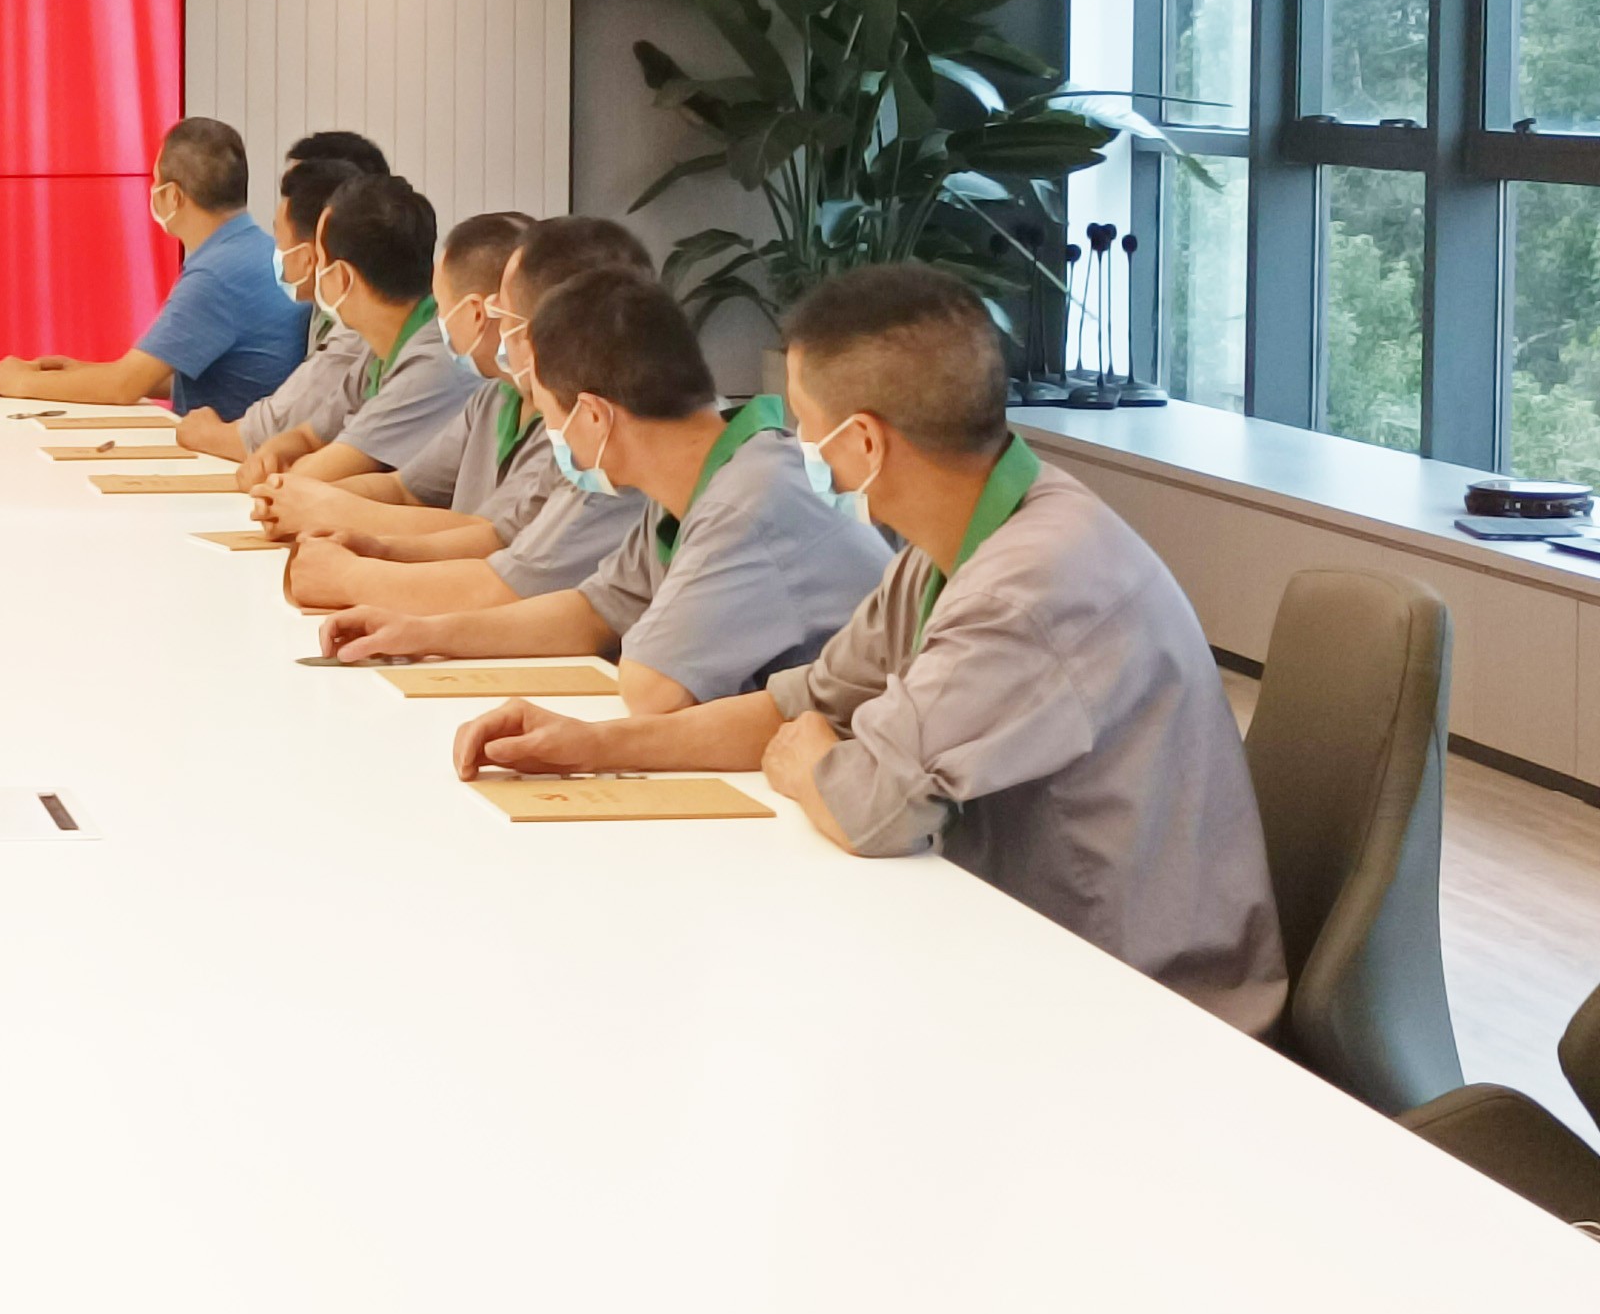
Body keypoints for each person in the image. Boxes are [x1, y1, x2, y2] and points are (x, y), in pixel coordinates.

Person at [454, 264, 1288, 1031]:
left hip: (1143, 1008)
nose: (793, 445)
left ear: (861, 443)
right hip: (1022, 947)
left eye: (803, 425)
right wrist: (588, 746)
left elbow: (866, 807)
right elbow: (804, 703)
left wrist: (813, 756)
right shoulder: (957, 541)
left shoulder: (1027, 586)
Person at [318, 265, 890, 711]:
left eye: (550, 413)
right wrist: (423, 634)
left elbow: (651, 687)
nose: (554, 436)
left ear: (593, 417)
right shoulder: (696, 480)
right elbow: (593, 610)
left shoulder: (751, 497)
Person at [279, 213, 651, 614]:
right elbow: (501, 541)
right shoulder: (542, 418)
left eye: (507, 317)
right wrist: (379, 550)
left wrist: (352, 572)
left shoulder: (601, 447)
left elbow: (506, 583)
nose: (507, 333)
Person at [0, 117, 301, 414]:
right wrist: (80, 373)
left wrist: (18, 382)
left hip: (219, 449)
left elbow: (123, 387)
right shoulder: (257, 252)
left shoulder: (216, 276)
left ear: (173, 196)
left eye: (155, 180)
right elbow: (197, 376)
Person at [226, 174, 471, 488]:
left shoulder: (434, 364)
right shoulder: (380, 349)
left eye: (320, 261)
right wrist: (273, 451)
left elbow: (308, 479)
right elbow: (309, 435)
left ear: (341, 277)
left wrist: (270, 472)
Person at [171, 152, 360, 458]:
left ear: (309, 257)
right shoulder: (323, 314)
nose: (276, 251)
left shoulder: (354, 338)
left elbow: (265, 434)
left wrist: (206, 432)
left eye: (279, 240)